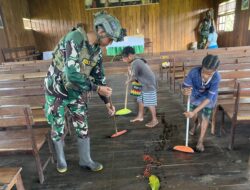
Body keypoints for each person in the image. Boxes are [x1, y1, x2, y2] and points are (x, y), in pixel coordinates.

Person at [44, 11, 126, 173]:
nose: (110, 43)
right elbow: (72, 75)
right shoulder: (74, 39)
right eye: (110, 38)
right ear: (100, 31)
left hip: (74, 92)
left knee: (82, 125)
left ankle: (85, 159)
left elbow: (99, 79)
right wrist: (96, 88)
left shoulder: (96, 51)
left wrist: (108, 104)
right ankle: (61, 160)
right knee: (58, 126)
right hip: (56, 92)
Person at [182, 55, 221, 152]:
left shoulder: (216, 77)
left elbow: (209, 99)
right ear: (201, 66)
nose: (205, 76)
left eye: (209, 74)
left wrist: (194, 111)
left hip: (208, 98)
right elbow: (184, 87)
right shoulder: (193, 72)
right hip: (195, 94)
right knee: (193, 115)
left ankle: (200, 140)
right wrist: (184, 91)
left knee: (205, 117)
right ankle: (195, 125)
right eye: (204, 72)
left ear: (215, 71)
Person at [121, 46, 158, 128]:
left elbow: (134, 77)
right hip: (142, 83)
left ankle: (155, 120)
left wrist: (128, 81)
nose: (123, 60)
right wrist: (130, 73)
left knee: (149, 102)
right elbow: (135, 74)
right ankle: (140, 116)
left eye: (124, 57)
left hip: (148, 84)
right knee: (140, 99)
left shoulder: (136, 62)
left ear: (130, 56)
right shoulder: (136, 60)